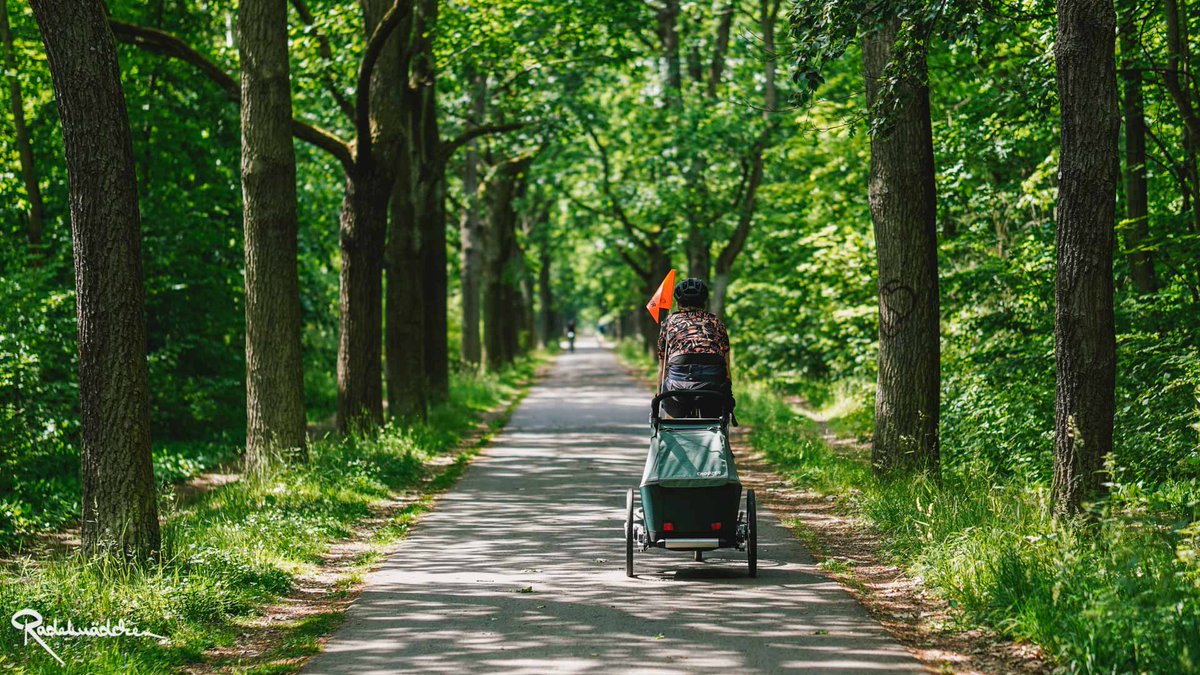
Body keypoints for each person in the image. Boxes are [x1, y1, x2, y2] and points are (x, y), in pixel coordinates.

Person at [656, 278, 734, 419]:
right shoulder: (716, 322)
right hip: (713, 386)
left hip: (678, 387)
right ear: (704, 302)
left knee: (672, 421)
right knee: (716, 420)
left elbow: (663, 369)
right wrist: (728, 392)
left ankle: (671, 433)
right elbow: (727, 368)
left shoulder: (669, 323)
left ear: (678, 303)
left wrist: (659, 395)